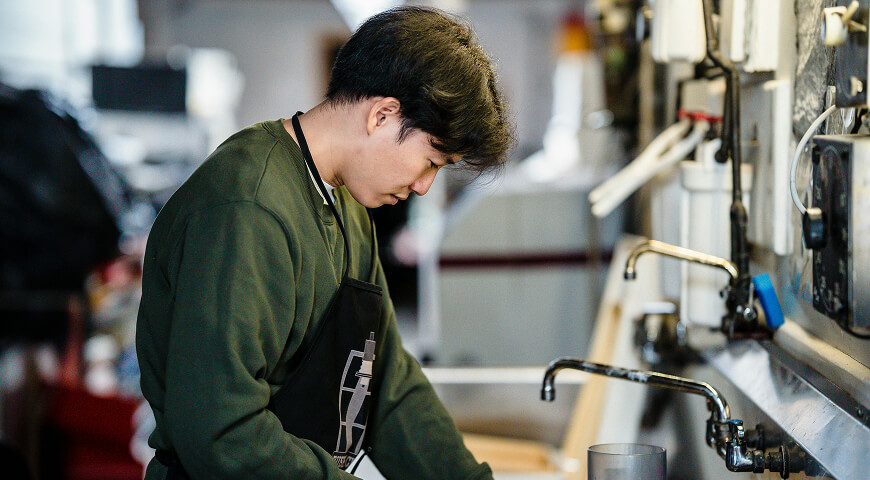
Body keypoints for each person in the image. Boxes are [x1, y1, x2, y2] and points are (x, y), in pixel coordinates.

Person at [135, 6, 513, 480]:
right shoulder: (247, 207)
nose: (423, 187)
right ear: (382, 115)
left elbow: (386, 383)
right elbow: (222, 432)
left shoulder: (348, 205)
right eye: (431, 162)